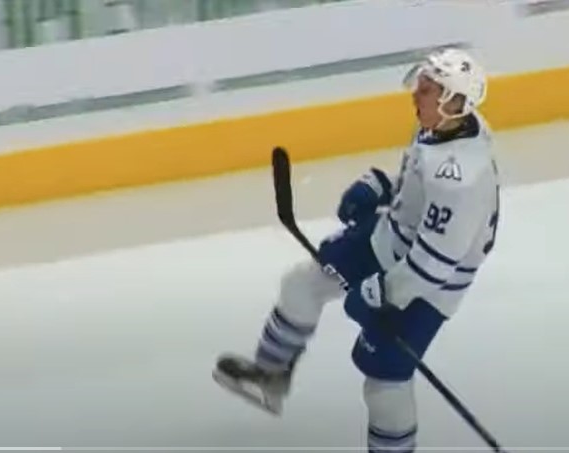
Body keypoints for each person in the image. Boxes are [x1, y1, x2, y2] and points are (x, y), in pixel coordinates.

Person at [213, 47, 501, 453]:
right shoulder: (447, 125)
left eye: (427, 89)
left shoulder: (460, 177)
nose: (416, 93)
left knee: (384, 381)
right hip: (392, 239)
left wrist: (382, 293)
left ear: (453, 100)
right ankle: (271, 378)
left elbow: (435, 263)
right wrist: (384, 187)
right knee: (302, 284)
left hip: (428, 287)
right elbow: (419, 185)